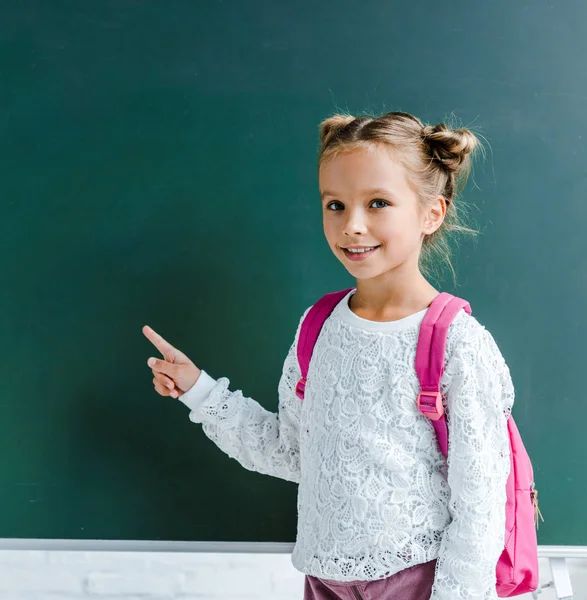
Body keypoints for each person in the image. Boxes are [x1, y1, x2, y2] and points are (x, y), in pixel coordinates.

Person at [142, 111, 514, 600]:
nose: (352, 225)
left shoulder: (458, 344)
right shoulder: (318, 327)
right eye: (335, 205)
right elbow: (291, 451)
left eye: (378, 203)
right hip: (325, 577)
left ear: (432, 213)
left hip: (418, 577)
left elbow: (481, 503)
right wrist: (199, 390)